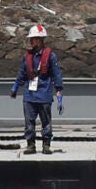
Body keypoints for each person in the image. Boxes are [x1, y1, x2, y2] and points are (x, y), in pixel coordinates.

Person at [9, 23, 62, 155]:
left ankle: (46, 145)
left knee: (46, 123)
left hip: (44, 95)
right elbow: (22, 73)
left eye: (33, 39)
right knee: (29, 123)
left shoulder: (51, 56)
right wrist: (15, 87)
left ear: (39, 40)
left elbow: (57, 75)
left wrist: (59, 94)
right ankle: (31, 145)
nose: (31, 41)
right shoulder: (27, 57)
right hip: (30, 95)